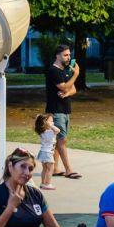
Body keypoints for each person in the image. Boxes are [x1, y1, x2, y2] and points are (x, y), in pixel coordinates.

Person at [45, 44, 81, 179]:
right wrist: (76, 75)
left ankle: (54, 168)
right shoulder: (53, 71)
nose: (69, 58)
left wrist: (66, 94)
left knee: (58, 141)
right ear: (57, 55)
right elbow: (65, 86)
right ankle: (68, 169)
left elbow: (73, 89)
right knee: (62, 140)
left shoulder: (65, 71)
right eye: (66, 55)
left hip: (65, 110)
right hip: (56, 110)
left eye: (69, 55)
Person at [34, 113, 60, 190]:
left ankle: (43, 183)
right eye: (51, 121)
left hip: (44, 152)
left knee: (45, 169)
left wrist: (46, 123)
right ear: (45, 123)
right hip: (47, 153)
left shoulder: (43, 131)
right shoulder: (49, 132)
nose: (53, 123)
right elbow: (58, 130)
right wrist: (50, 125)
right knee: (50, 168)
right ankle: (47, 184)